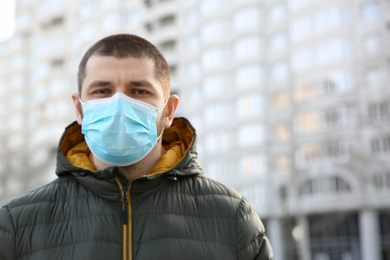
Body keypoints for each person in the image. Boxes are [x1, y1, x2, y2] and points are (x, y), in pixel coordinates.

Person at [0, 34, 273, 260]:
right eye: (102, 91)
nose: (119, 104)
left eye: (139, 91)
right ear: (79, 110)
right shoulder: (16, 225)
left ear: (169, 111)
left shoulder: (232, 218)